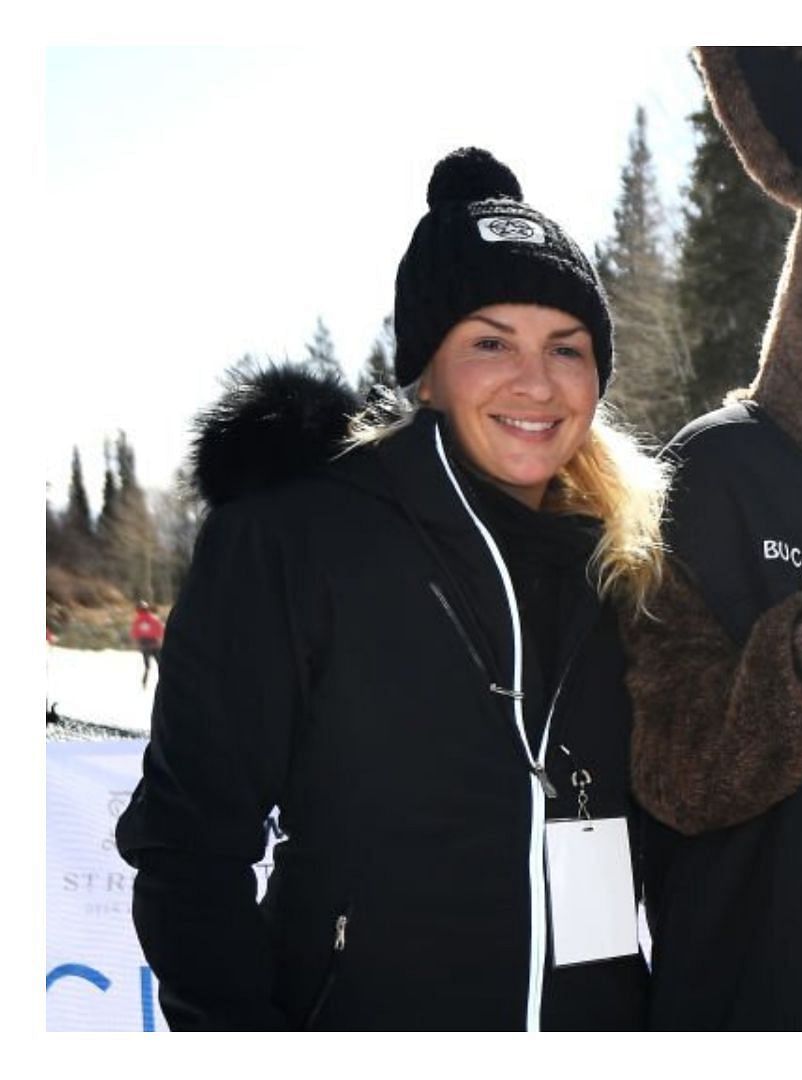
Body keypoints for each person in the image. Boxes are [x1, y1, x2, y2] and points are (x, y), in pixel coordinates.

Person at [115, 147, 669, 1030]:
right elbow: (188, 846)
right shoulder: (298, 537)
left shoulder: (624, 563)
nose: (535, 381)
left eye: (566, 348)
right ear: (426, 369)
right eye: (491, 342)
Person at [131, 600, 165, 688]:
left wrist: (138, 642)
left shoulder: (137, 621)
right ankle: (164, 682)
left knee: (147, 666)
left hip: (144, 645)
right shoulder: (154, 619)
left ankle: (144, 683)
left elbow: (134, 633)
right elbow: (160, 630)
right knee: (160, 664)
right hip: (155, 644)